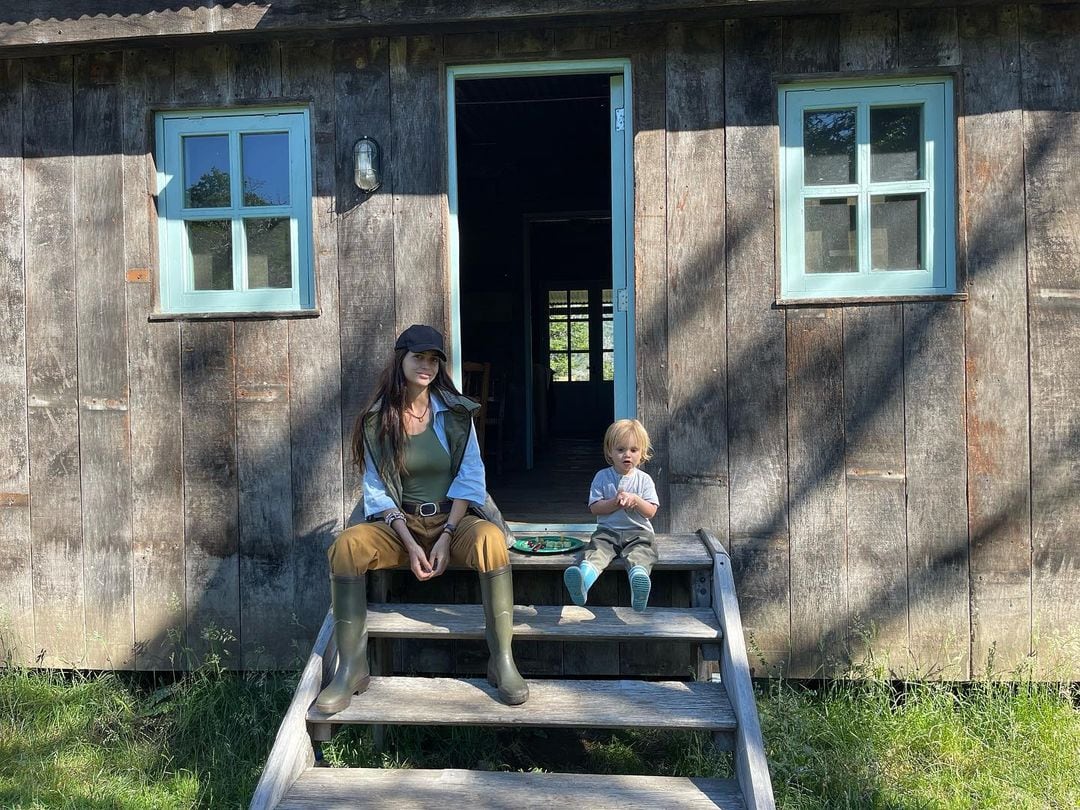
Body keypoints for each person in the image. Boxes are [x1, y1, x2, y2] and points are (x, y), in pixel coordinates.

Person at [315, 324, 528, 712]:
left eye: (433, 360)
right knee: (346, 546)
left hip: (454, 521)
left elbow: (471, 478)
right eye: (419, 358)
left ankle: (502, 660)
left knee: (492, 540)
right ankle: (351, 668)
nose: (426, 366)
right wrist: (411, 542)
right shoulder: (378, 420)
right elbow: (376, 489)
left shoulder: (456, 414)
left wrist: (447, 534)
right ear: (401, 360)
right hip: (400, 526)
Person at [563, 419, 660, 612]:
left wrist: (636, 500)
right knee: (596, 551)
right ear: (610, 452)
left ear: (641, 453)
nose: (627, 455)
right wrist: (614, 503)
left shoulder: (644, 480)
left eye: (634, 450)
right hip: (608, 532)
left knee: (641, 553)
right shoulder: (602, 477)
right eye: (621, 449)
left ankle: (638, 582)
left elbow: (651, 511)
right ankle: (583, 580)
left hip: (638, 532)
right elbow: (595, 508)